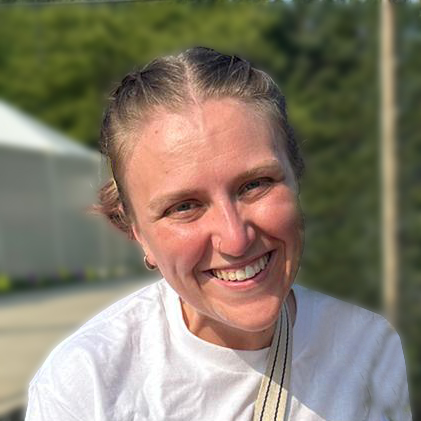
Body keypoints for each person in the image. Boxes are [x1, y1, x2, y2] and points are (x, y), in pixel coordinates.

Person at [25, 47, 411, 421]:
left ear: (295, 177)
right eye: (184, 207)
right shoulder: (85, 386)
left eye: (255, 184)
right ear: (137, 232)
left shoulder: (367, 349)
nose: (236, 239)